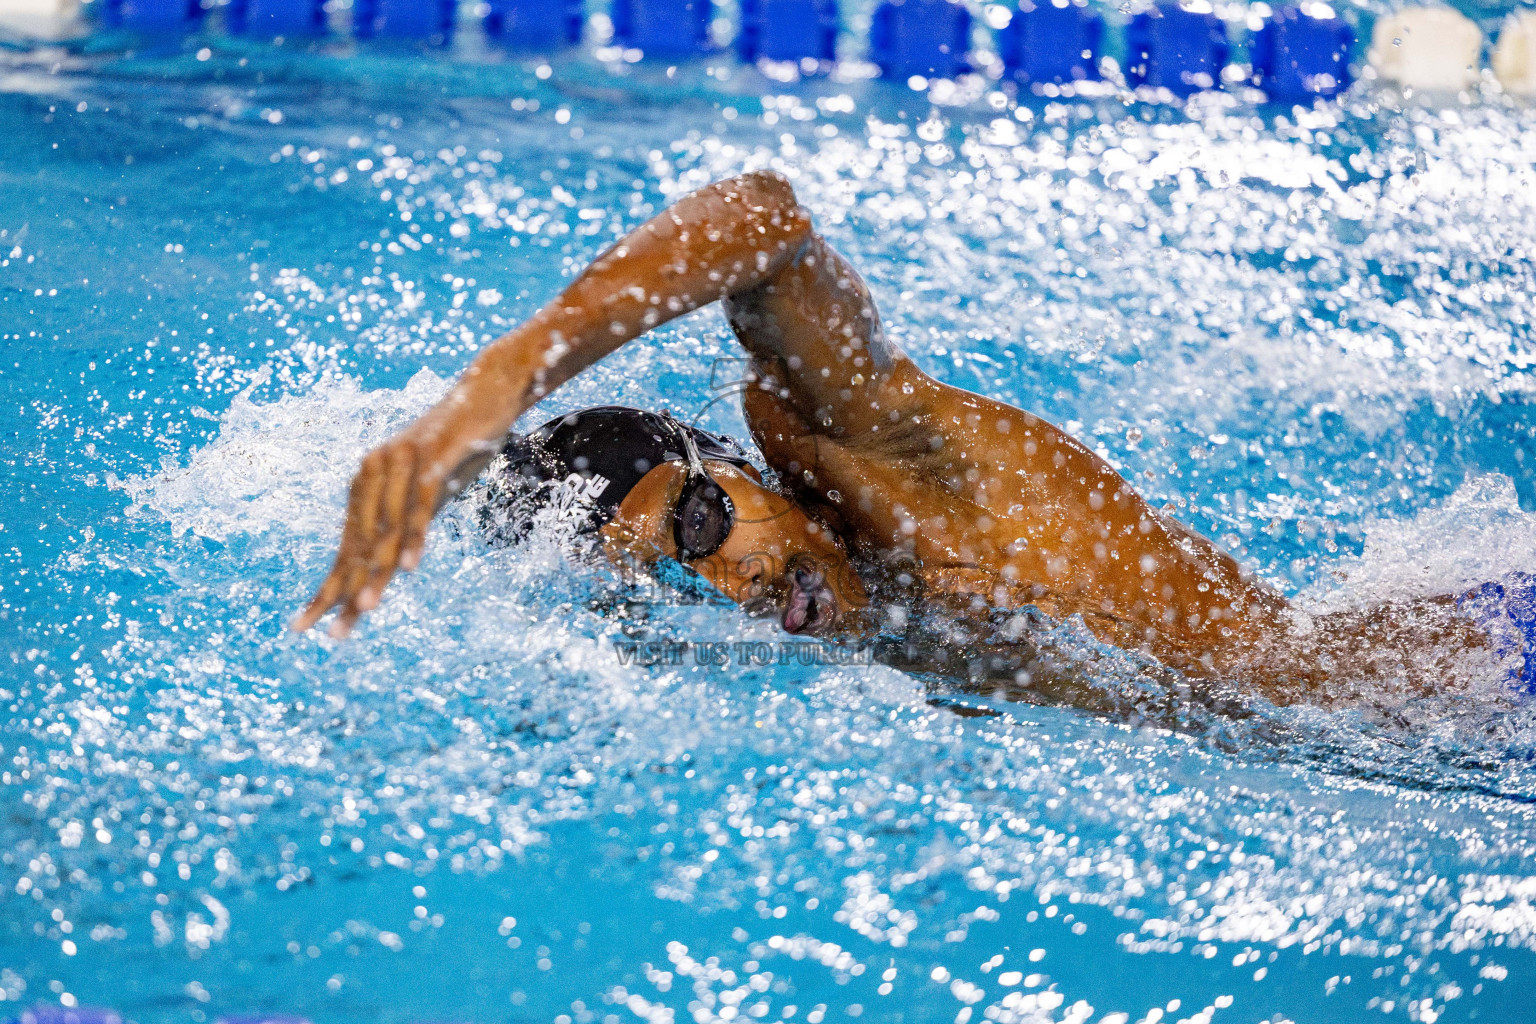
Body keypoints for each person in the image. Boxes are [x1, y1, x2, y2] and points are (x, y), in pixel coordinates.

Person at [292, 171, 1534, 707]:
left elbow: (761, 218)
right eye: (665, 581)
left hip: (1485, 676)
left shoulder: (872, 447)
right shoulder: (858, 625)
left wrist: (491, 391)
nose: (717, 577)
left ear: (730, 461)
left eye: (699, 520)